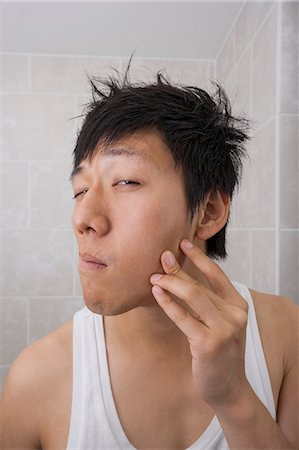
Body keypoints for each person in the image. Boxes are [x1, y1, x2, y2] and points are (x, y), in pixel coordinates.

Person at [0, 66, 298, 450]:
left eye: (126, 181)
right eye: (80, 190)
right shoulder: (35, 379)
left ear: (207, 212)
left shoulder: (286, 333)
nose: (83, 219)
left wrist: (234, 397)